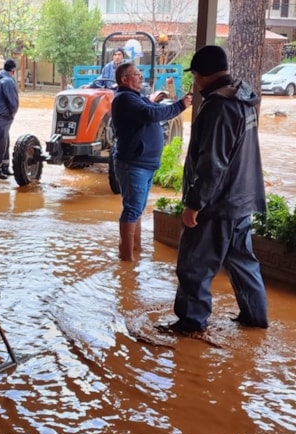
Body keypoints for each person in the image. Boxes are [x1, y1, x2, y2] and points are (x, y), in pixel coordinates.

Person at [161, 45, 269, 334]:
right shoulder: (242, 97)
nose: (195, 81)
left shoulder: (218, 106)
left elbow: (213, 162)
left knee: (194, 265)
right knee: (242, 263)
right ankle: (255, 318)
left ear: (203, 74)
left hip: (218, 203)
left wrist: (194, 204)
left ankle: (190, 324)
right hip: (242, 199)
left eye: (196, 75)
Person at [111, 62, 192, 261]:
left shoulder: (136, 98)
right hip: (134, 163)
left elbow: (155, 108)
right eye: (136, 74)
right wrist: (181, 105)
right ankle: (126, 257)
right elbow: (152, 113)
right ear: (124, 79)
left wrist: (175, 103)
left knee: (136, 208)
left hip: (143, 163)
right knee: (133, 209)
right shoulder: (125, 99)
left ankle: (135, 250)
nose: (140, 77)